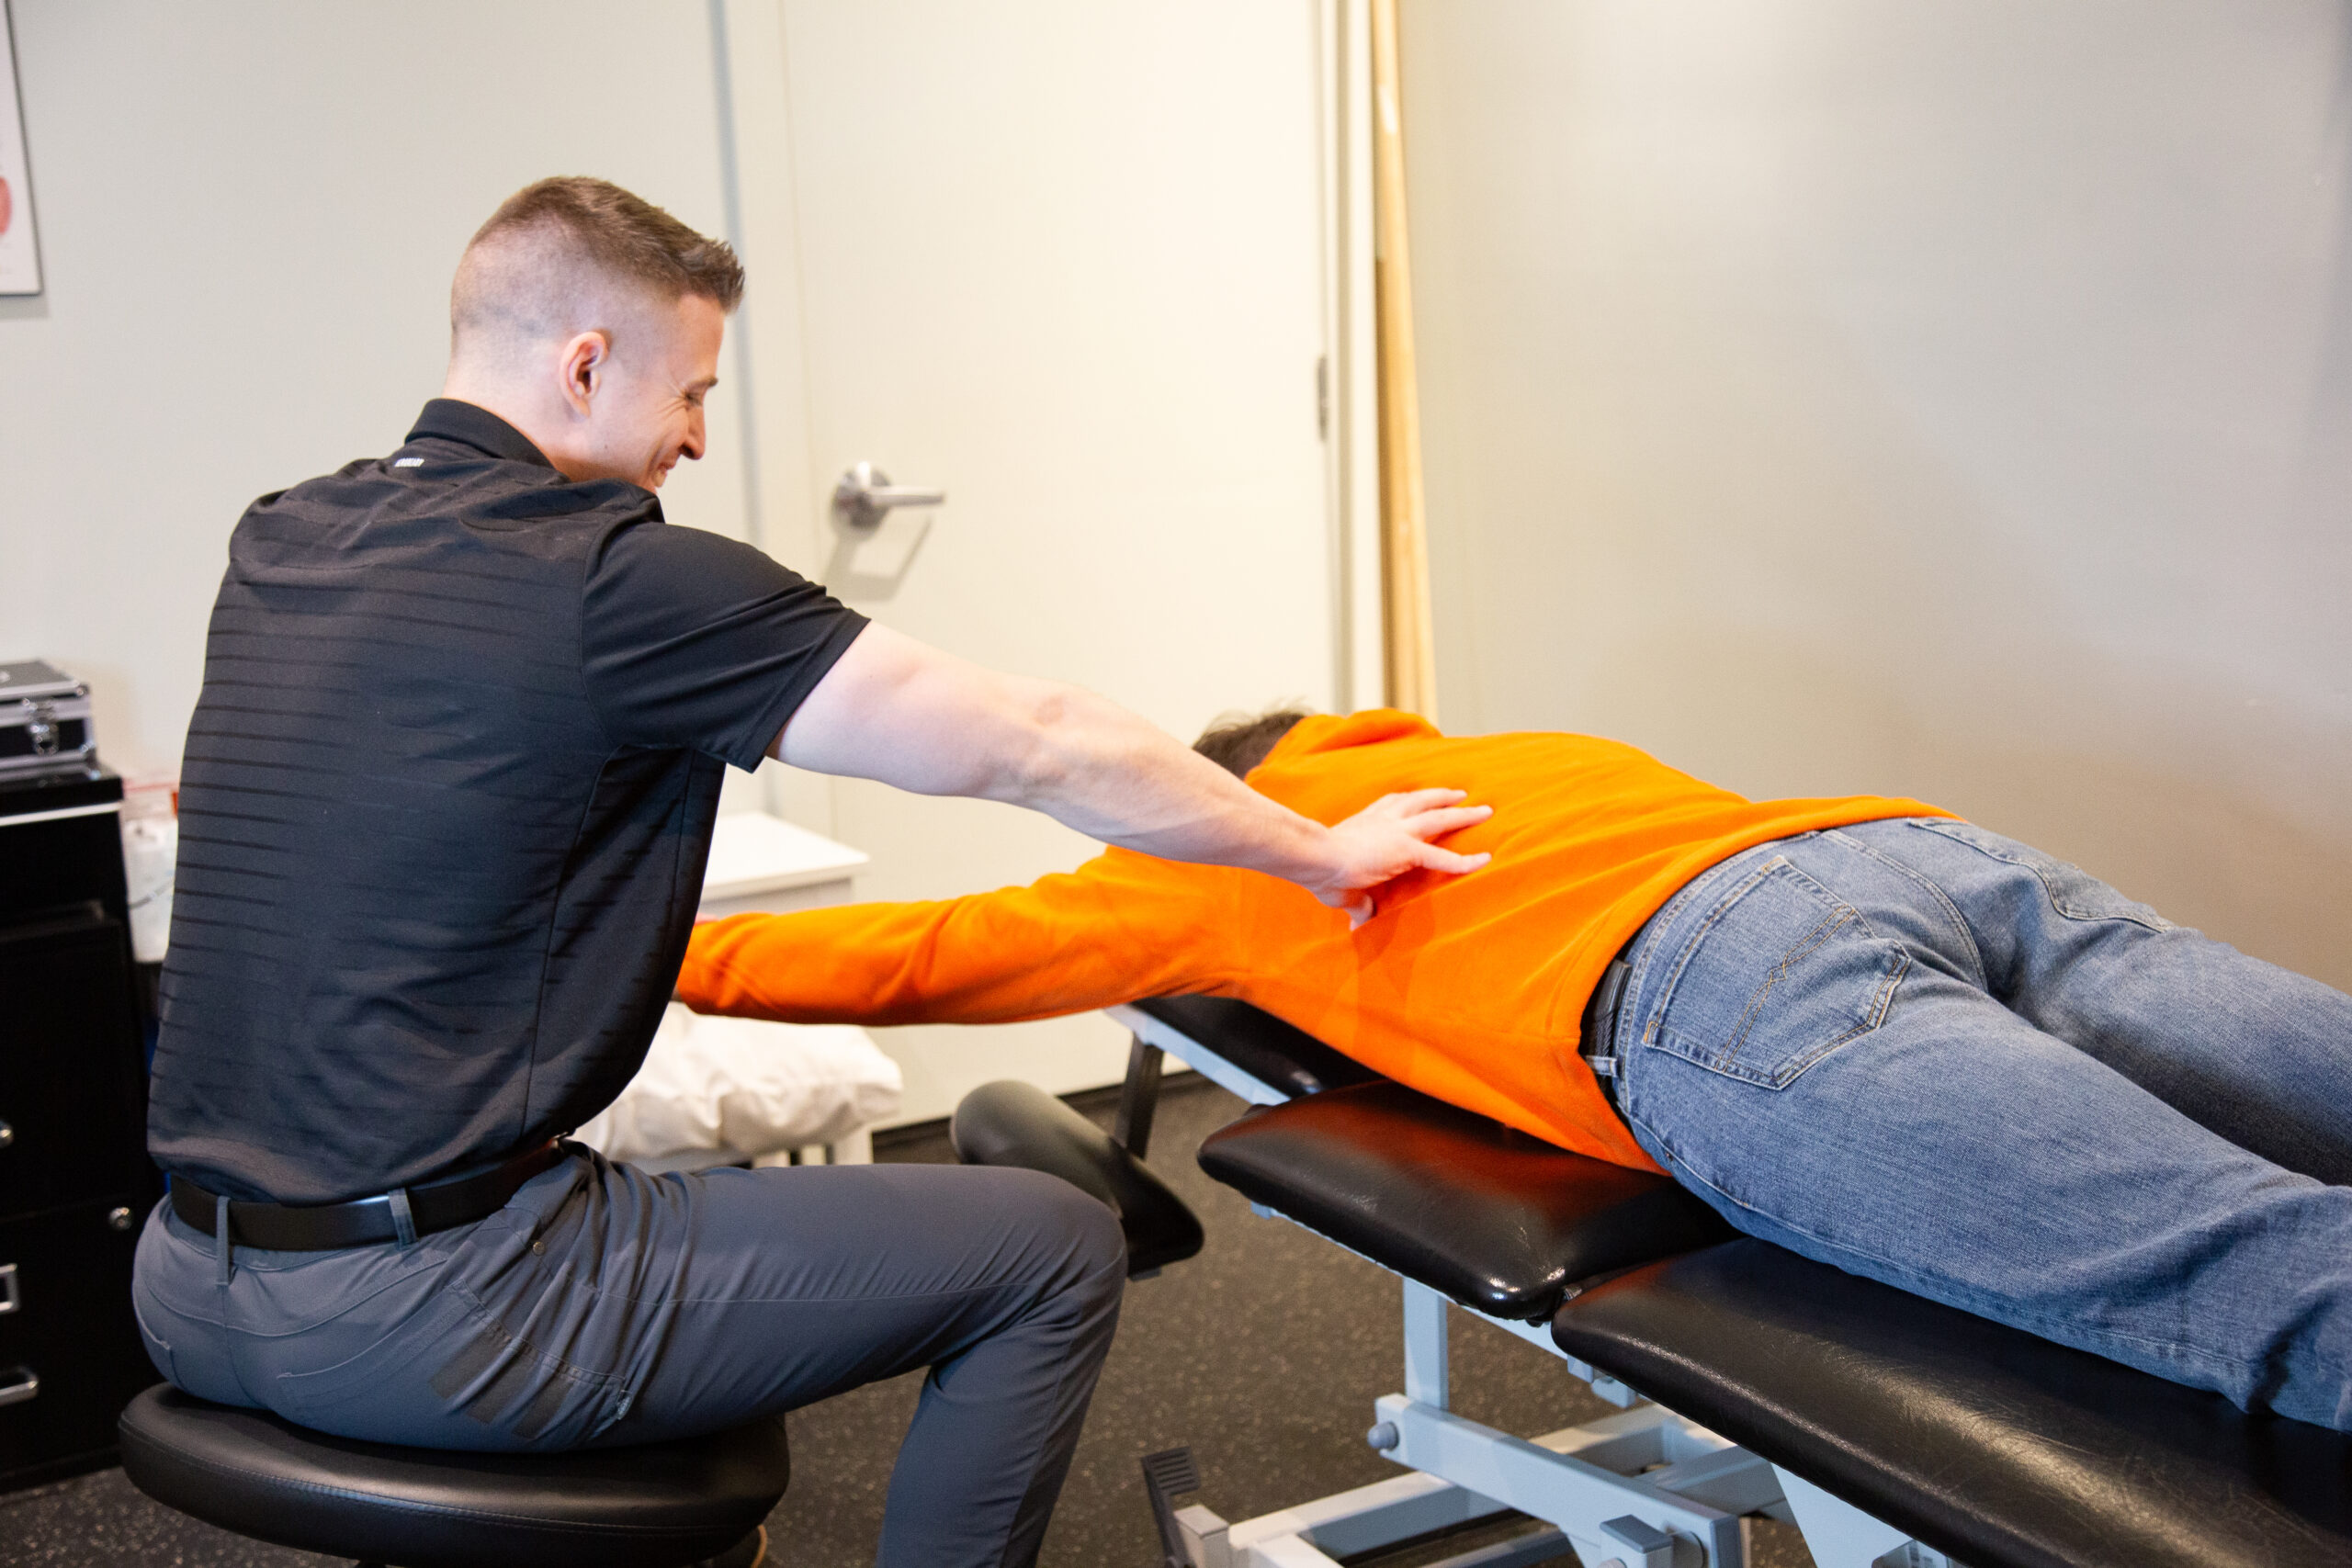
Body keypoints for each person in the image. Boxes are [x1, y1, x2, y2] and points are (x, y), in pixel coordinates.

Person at [131, 178, 1489, 1568]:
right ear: (585, 363)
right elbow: (1033, 743)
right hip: (430, 1312)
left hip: (183, 1280)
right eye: (691, 394)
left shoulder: (283, 538)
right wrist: (1323, 850)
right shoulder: (615, 582)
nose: (699, 440)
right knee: (1050, 1249)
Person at [679, 705, 2352, 1433]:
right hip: (1930, 857)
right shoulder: (1481, 751)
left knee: (2252, 1278)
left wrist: (645, 950)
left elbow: (899, 957)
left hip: (1730, 987)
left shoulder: (1207, 850)